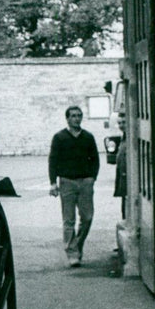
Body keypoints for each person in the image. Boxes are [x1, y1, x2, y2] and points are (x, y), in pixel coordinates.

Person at [48, 104, 100, 267]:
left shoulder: (88, 137)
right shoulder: (59, 137)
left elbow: (95, 159)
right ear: (68, 118)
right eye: (73, 116)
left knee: (87, 217)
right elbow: (53, 161)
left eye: (79, 115)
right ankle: (72, 254)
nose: (77, 118)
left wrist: (92, 178)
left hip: (85, 182)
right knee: (68, 220)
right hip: (67, 182)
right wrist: (53, 183)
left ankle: (77, 245)